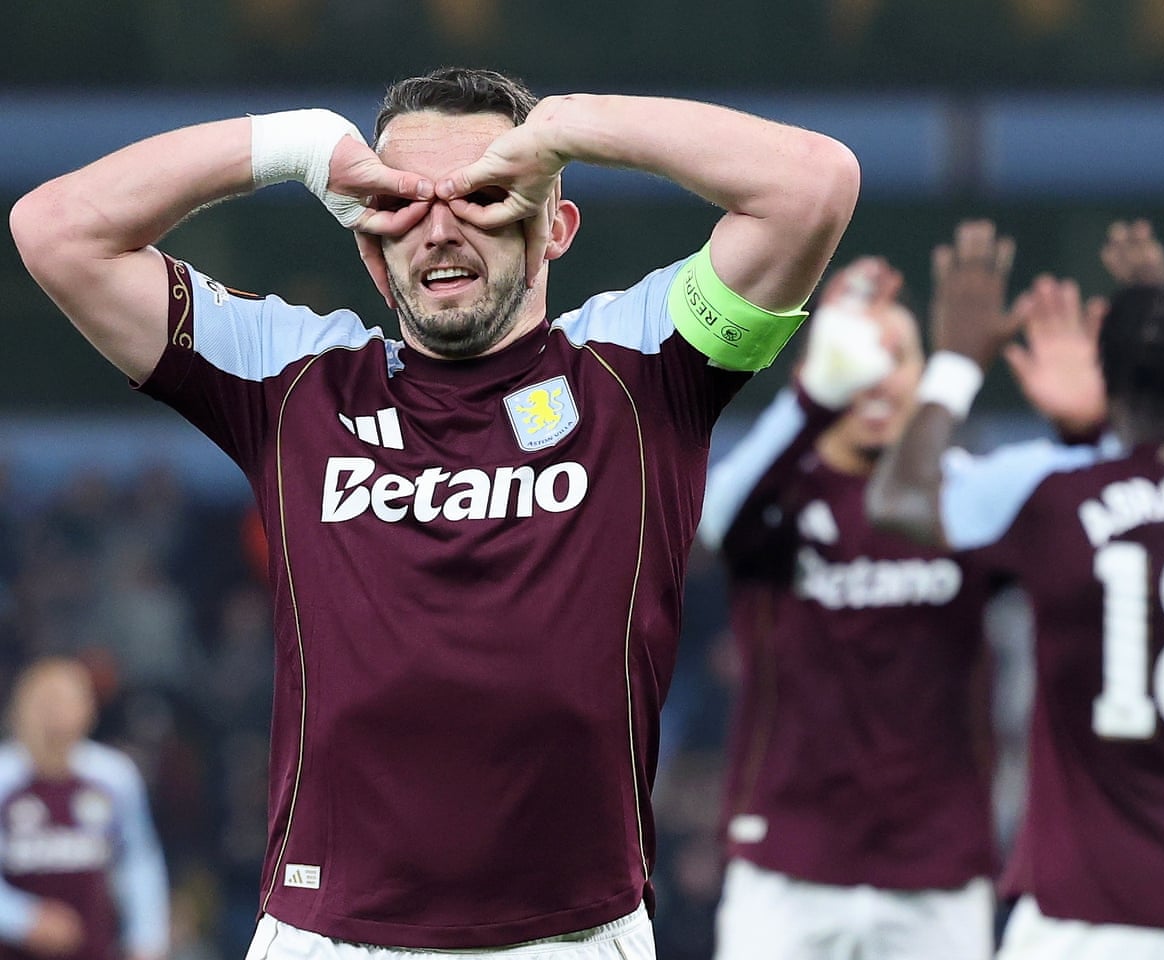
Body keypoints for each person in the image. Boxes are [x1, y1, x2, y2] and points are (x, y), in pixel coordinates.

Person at [9, 66, 860, 958]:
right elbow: (57, 231)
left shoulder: (644, 365)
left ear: (554, 226)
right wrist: (293, 144)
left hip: (574, 936)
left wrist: (569, 127)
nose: (442, 228)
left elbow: (813, 185)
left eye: (487, 194)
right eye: (405, 206)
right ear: (372, 253)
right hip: (324, 937)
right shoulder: (293, 377)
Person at [867, 219, 1164, 958]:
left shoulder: (1057, 500)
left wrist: (954, 360)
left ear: (1107, 380)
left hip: (1083, 918)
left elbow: (899, 499)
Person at [697, 255, 1003, 960]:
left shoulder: (967, 499)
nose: (876, 374)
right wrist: (810, 399)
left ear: (928, 376)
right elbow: (711, 524)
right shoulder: (776, 495)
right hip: (786, 864)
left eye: (895, 355)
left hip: (938, 871)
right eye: (856, 353)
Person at [0, 657, 170, 960]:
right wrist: (23, 918)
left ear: (88, 709)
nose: (57, 713)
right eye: (47, 702)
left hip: (94, 946)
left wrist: (146, 938)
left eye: (68, 701)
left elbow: (138, 860)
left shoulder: (114, 775)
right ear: (21, 709)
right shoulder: (5, 777)